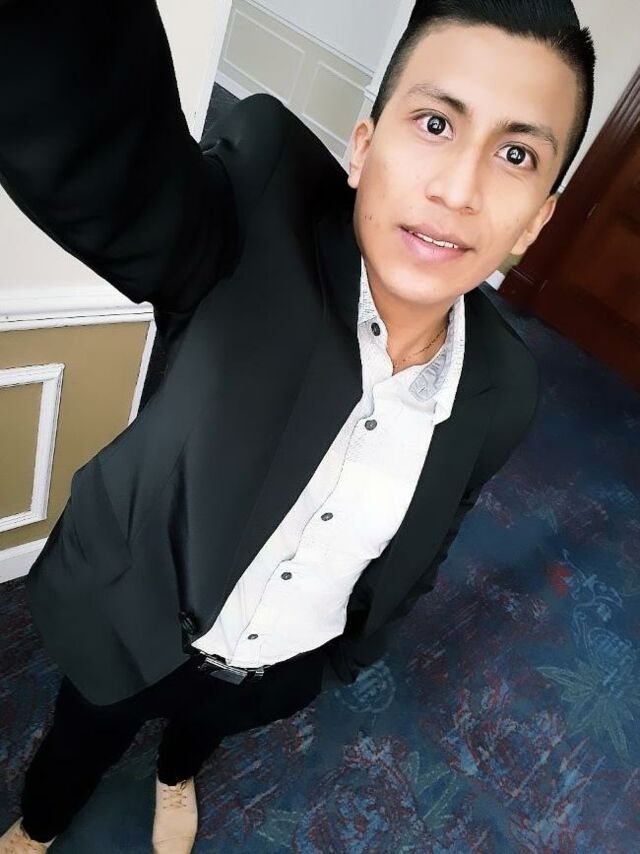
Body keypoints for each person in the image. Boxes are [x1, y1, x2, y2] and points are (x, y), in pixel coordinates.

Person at [0, 0, 595, 851]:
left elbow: (437, 529)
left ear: (536, 218)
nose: (458, 191)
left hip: (278, 667)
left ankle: (175, 774)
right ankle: (39, 825)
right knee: (78, 740)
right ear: (363, 146)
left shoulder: (507, 387)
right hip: (130, 616)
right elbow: (103, 152)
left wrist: (349, 656)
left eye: (515, 154)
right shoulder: (256, 219)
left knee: (200, 735)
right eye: (435, 123)